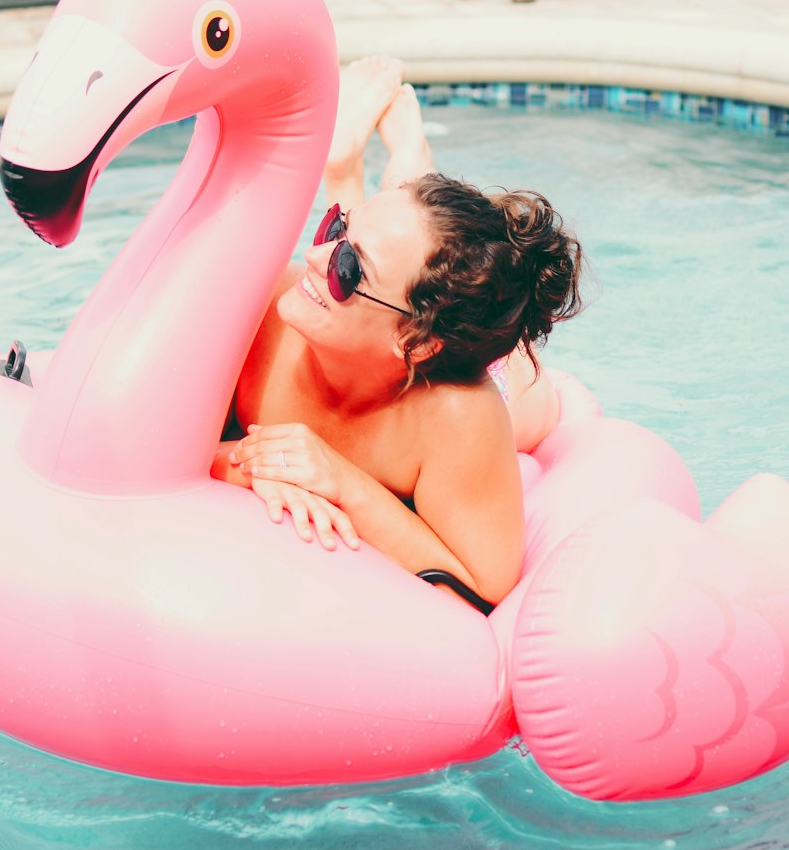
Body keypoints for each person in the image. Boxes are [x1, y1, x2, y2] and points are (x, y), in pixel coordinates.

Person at [211, 58, 583, 609]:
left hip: (480, 378)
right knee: (402, 256)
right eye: (337, 226)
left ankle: (401, 171)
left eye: (347, 269)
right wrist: (245, 464)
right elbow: (155, 443)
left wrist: (342, 480)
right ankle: (383, 181)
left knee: (538, 400)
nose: (314, 256)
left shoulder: (459, 414)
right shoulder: (257, 308)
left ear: (414, 342)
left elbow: (483, 584)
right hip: (396, 325)